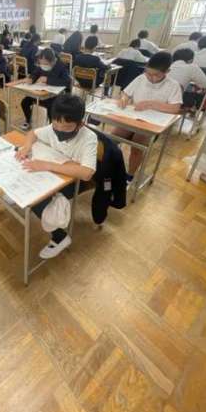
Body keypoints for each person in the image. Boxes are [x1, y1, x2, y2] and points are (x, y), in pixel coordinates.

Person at [16, 94, 97, 259]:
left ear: (80, 124)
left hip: (75, 181)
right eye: (55, 125)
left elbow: (87, 173)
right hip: (58, 171)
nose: (59, 130)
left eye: (66, 128)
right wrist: (26, 147)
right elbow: (32, 133)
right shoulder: (56, 125)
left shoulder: (89, 137)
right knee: (24, 174)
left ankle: (60, 237)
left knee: (38, 200)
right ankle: (19, 194)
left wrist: (48, 165)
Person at [113, 52, 182, 182]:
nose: (152, 78)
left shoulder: (173, 85)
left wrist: (151, 104)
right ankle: (109, 167)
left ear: (167, 72)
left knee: (137, 147)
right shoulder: (141, 78)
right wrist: (124, 99)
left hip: (152, 124)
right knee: (112, 138)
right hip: (133, 118)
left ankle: (130, 176)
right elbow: (126, 93)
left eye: (157, 75)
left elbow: (175, 108)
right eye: (149, 74)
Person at [21, 48, 70, 130]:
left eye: (46, 64)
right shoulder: (42, 65)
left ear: (53, 61)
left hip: (54, 95)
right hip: (41, 93)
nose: (43, 65)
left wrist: (48, 80)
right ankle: (28, 120)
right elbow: (35, 73)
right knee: (24, 102)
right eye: (41, 63)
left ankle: (52, 128)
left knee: (51, 108)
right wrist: (31, 79)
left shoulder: (61, 66)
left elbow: (66, 82)